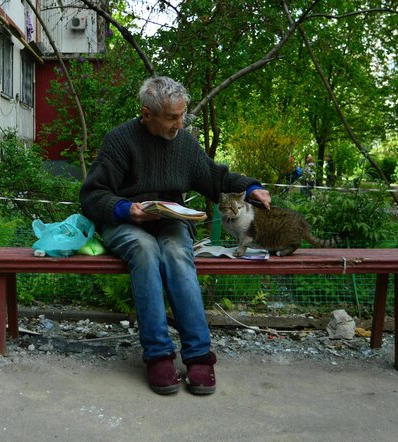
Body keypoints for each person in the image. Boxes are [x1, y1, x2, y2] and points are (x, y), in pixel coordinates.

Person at [79, 76, 271, 395]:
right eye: (172, 117)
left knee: (177, 253)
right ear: (146, 114)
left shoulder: (183, 142)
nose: (179, 124)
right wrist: (127, 209)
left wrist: (250, 187)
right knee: (144, 250)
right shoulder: (119, 140)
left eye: (183, 115)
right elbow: (91, 196)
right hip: (126, 223)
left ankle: (198, 354)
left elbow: (214, 178)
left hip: (170, 220)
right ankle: (157, 355)